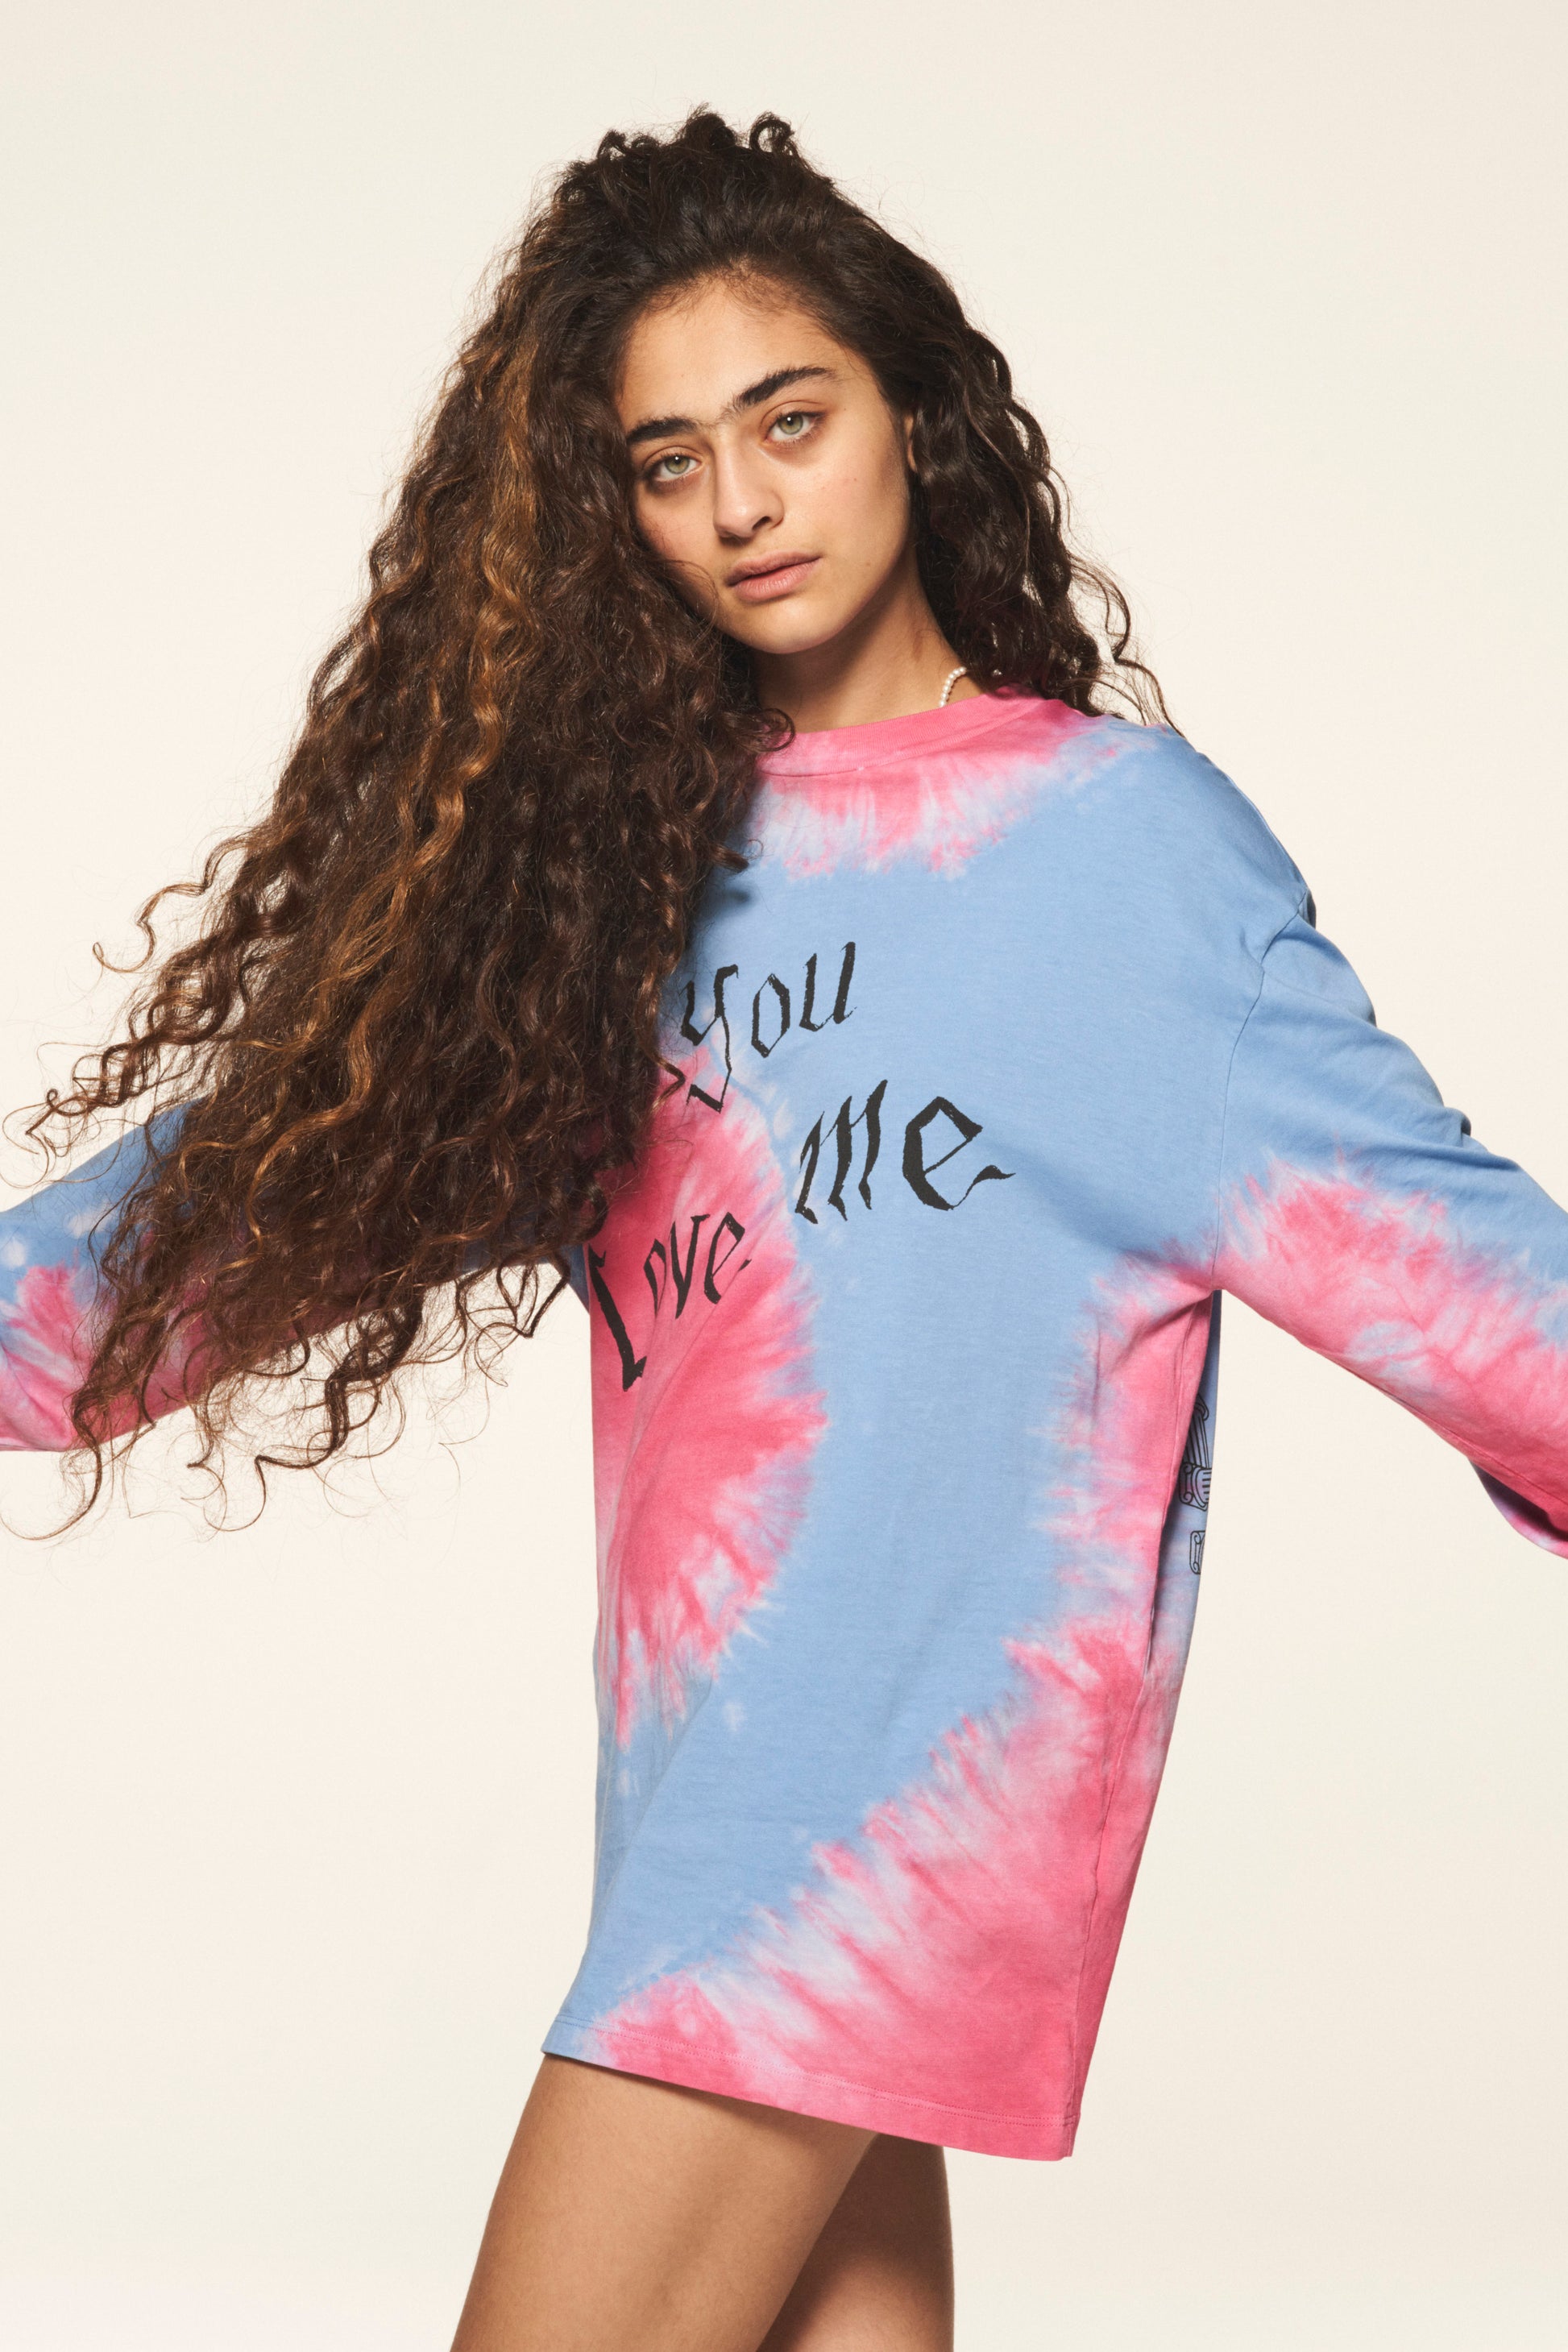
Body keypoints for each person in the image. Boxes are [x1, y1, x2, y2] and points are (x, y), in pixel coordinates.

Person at [2, 108, 1565, 2352]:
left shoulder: (1115, 858)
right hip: (703, 1795)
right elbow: (228, 1212)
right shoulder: (604, 887)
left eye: (789, 420)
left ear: (909, 416)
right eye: (668, 462)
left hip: (874, 1827)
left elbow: (1470, 1280)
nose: (739, 502)